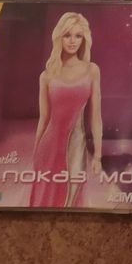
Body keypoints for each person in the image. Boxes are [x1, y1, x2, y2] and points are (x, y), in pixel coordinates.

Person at [30, 12, 102, 208]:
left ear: (84, 39)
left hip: (77, 144)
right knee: (46, 199)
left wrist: (97, 155)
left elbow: (96, 117)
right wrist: (36, 152)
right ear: (59, 37)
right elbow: (44, 118)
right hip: (49, 147)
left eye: (78, 36)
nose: (72, 41)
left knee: (71, 198)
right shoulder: (47, 75)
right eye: (67, 35)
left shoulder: (92, 70)